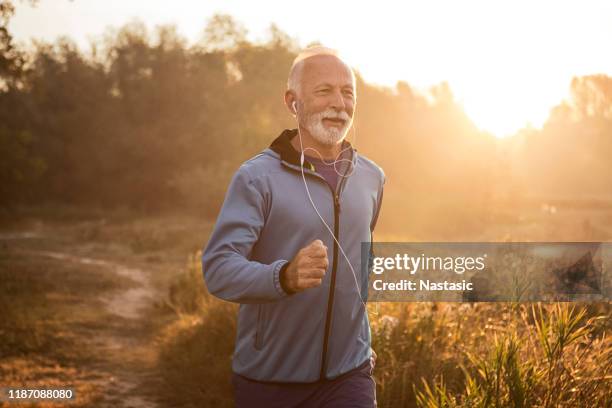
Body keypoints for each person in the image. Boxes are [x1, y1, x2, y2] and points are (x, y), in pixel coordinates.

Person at [202, 46, 385, 407]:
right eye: (324, 91)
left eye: (348, 92)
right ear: (293, 101)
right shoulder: (256, 178)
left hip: (350, 377)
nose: (339, 103)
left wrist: (359, 344)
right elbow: (218, 269)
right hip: (270, 379)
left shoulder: (372, 177)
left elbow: (362, 263)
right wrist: (283, 276)